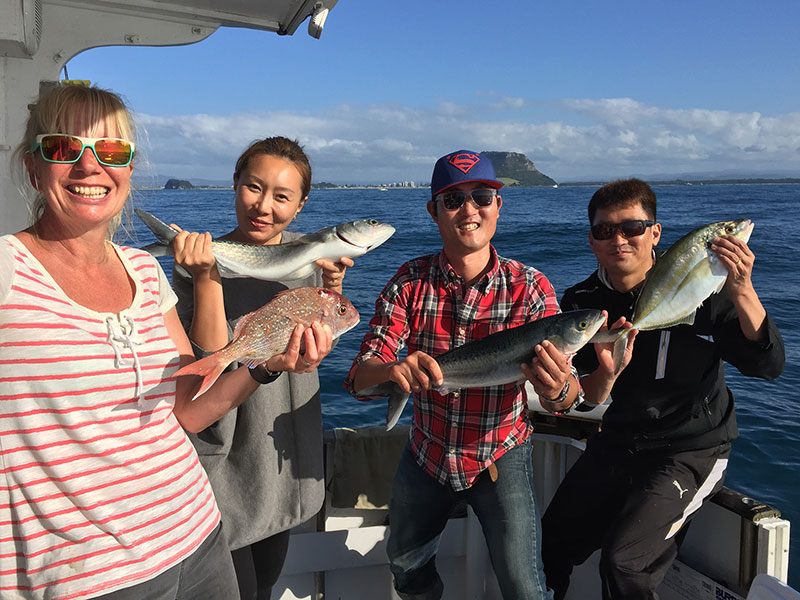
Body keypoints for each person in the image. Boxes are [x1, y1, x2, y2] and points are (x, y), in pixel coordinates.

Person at [0, 84, 325, 599]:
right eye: (63, 148)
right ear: (33, 166)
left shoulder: (146, 270)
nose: (90, 166)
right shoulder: (7, 270)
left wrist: (267, 366)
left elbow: (187, 410)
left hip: (197, 532)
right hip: (83, 574)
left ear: (128, 169)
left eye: (112, 151)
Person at [346, 149, 582, 600]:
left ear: (498, 205)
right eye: (453, 200)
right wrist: (395, 370)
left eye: (482, 197)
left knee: (525, 587)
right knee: (406, 568)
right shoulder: (408, 282)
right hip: (427, 452)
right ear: (433, 211)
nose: (470, 209)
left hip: (501, 452)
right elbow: (360, 379)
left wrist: (558, 389)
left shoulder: (531, 287)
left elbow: (564, 396)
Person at [540, 178, 786, 600]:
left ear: (655, 232)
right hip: (618, 439)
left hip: (691, 449)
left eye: (632, 227)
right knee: (549, 543)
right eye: (604, 230)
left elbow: (768, 365)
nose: (619, 239)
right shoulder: (582, 302)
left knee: (625, 564)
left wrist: (741, 287)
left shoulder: (704, 288)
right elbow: (590, 397)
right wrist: (609, 374)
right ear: (592, 241)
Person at [170, 136, 352, 599]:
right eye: (253, 187)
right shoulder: (197, 261)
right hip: (225, 457)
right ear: (234, 184)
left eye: (282, 196)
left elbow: (318, 335)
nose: (263, 206)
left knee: (266, 583)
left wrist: (332, 295)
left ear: (302, 204)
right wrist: (206, 275)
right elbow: (207, 357)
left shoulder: (310, 253)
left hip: (280, 457)